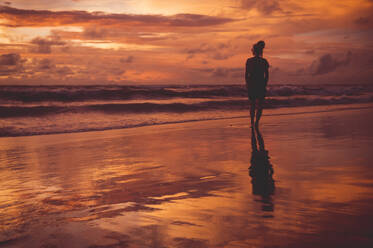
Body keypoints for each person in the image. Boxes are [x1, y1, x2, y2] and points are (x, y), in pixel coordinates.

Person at [245, 40, 269, 128]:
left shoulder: (249, 61)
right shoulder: (264, 61)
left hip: (252, 84)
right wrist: (265, 85)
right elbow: (266, 76)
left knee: (252, 105)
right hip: (261, 84)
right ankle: (256, 123)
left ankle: (252, 122)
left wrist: (247, 84)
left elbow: (246, 75)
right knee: (260, 105)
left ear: (254, 51)